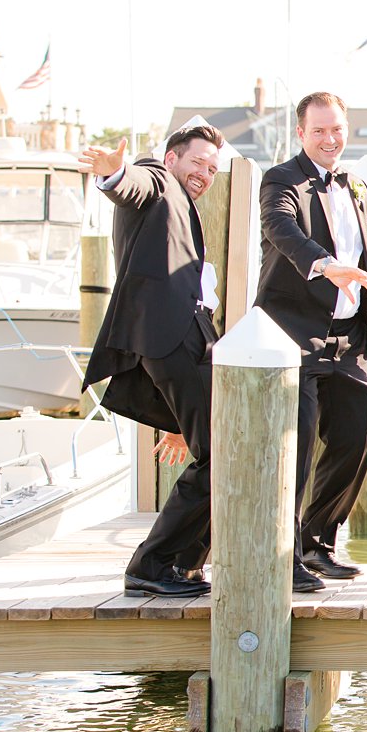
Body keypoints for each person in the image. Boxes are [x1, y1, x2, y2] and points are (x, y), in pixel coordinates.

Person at [257, 92, 367, 593]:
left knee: (356, 435)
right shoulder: (280, 180)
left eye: (337, 129)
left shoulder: (356, 186)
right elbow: (282, 229)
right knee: (294, 449)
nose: (330, 138)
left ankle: (317, 541)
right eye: (319, 131)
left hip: (350, 337)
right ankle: (285, 555)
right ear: (301, 133)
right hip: (295, 336)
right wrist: (326, 264)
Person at [78, 126, 224, 598]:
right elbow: (131, 184)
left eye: (211, 168)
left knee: (222, 451)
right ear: (171, 158)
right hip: (172, 339)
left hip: (193, 341)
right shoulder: (156, 180)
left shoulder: (181, 203)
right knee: (222, 455)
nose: (204, 173)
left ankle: (182, 563)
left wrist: (180, 419)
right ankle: (153, 564)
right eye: (197, 162)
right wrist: (113, 172)